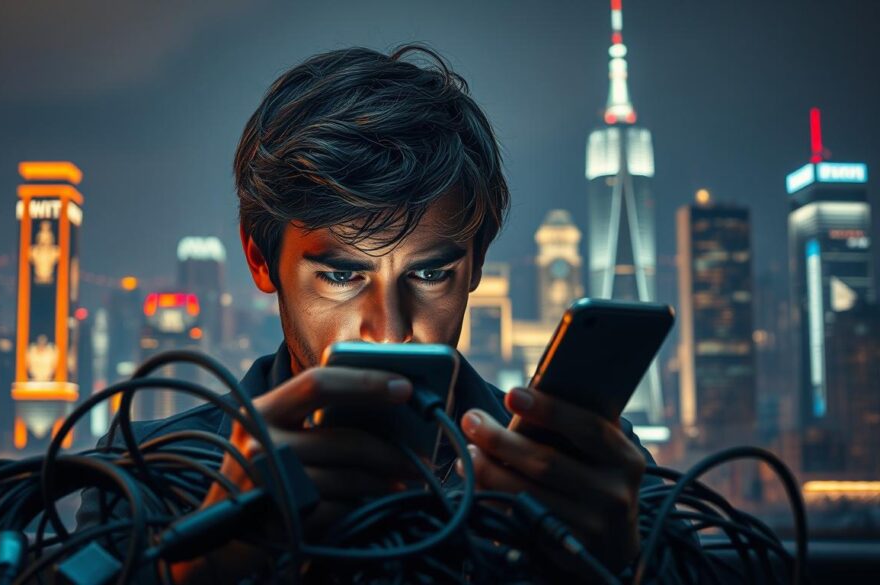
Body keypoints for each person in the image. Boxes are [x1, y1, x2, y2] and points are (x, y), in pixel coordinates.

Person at [78, 44, 653, 582]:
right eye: (342, 275)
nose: (391, 332)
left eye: (429, 274)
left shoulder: (587, 473)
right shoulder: (153, 471)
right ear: (261, 260)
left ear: (476, 264)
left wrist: (624, 567)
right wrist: (198, 569)